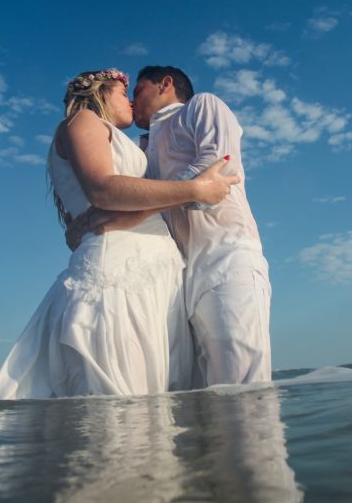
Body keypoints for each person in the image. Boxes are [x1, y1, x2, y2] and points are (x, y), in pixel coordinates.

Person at [0, 69, 239, 399]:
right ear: (101, 93)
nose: (132, 101)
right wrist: (195, 189)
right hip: (121, 271)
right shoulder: (85, 122)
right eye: (124, 93)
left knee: (163, 406)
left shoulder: (124, 140)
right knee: (122, 402)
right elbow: (103, 188)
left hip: (155, 275)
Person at [68, 66, 273, 388]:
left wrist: (135, 211)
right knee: (196, 393)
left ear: (165, 84)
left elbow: (219, 169)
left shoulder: (202, 105)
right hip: (174, 276)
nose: (133, 102)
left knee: (241, 384)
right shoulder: (143, 147)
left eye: (137, 91)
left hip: (226, 256)